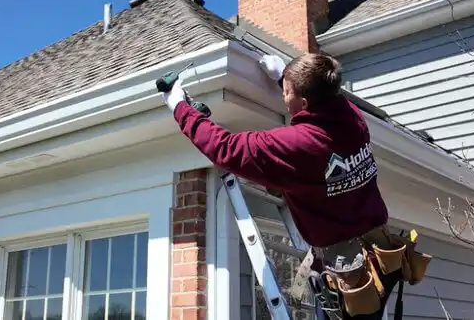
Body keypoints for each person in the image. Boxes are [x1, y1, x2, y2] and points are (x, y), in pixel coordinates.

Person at [160, 52, 417, 319]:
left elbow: (225, 148)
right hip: (380, 256)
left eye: (287, 93)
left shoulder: (298, 145)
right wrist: (286, 77)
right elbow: (319, 99)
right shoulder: (351, 116)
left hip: (350, 273)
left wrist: (179, 105)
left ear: (304, 102)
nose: (284, 97)